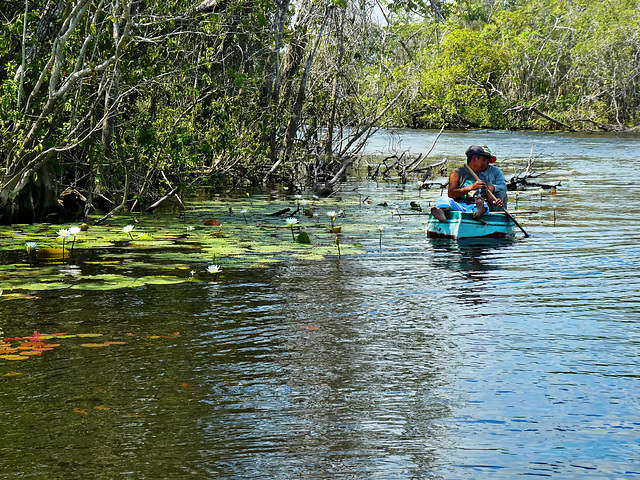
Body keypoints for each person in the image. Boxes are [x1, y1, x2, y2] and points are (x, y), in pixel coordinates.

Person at [430, 145, 505, 222]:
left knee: (483, 204)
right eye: (483, 160)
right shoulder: (456, 173)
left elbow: (490, 198)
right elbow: (451, 194)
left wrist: (495, 201)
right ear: (475, 158)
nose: (485, 164)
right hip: (460, 206)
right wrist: (472, 187)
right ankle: (441, 212)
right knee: (444, 199)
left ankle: (478, 212)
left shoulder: (484, 177)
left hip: (476, 205)